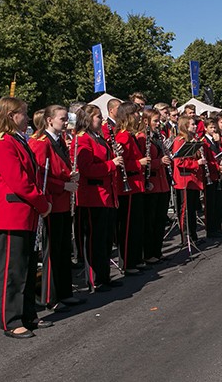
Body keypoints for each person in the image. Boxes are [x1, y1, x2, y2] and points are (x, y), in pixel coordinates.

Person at [0, 97, 53, 338]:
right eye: (22, 114)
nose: (26, 118)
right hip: (13, 211)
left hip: (26, 211)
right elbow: (19, 181)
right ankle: (10, 319)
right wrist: (41, 202)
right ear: (9, 116)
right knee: (12, 269)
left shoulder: (18, 139)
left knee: (26, 266)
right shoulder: (1, 142)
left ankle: (27, 314)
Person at [28, 105, 82, 312]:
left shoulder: (59, 140)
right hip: (52, 202)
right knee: (52, 251)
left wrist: (70, 175)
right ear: (49, 120)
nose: (65, 122)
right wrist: (63, 185)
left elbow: (59, 169)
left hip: (63, 201)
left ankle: (65, 292)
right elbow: (40, 177)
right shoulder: (41, 142)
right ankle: (50, 296)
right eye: (61, 119)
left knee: (63, 250)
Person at [73, 104, 123, 293]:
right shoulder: (83, 139)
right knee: (94, 240)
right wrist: (111, 164)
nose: (101, 120)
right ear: (87, 119)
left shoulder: (98, 137)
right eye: (97, 117)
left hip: (106, 194)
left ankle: (104, 276)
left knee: (105, 239)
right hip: (93, 196)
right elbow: (86, 169)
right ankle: (94, 279)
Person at [114, 102, 149, 274]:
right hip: (129, 186)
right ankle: (127, 262)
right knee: (128, 227)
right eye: (135, 114)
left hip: (137, 184)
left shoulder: (131, 135)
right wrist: (138, 163)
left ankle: (135, 258)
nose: (138, 116)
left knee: (136, 225)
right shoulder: (123, 136)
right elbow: (122, 163)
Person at [138, 109, 172, 263]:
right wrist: (160, 162)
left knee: (160, 220)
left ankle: (157, 251)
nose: (158, 124)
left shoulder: (157, 136)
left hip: (162, 182)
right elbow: (143, 161)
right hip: (151, 182)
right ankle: (149, 253)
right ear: (146, 121)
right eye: (155, 121)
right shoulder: (142, 137)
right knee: (150, 221)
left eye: (159, 121)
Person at [171, 115, 205, 245]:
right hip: (184, 180)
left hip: (192, 179)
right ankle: (186, 237)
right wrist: (197, 163)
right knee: (185, 210)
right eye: (192, 124)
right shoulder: (180, 140)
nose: (195, 126)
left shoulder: (192, 139)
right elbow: (179, 162)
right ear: (185, 126)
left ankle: (193, 235)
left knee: (192, 209)